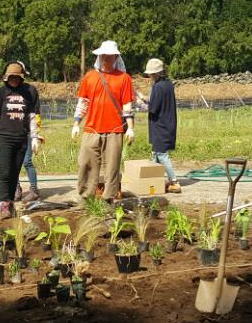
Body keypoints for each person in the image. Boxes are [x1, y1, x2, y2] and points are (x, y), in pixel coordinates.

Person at [72, 40, 135, 202]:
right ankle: (86, 197)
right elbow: (83, 102)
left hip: (114, 130)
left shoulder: (124, 78)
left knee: (112, 167)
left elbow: (127, 105)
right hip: (91, 129)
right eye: (104, 56)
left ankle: (108, 199)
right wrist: (76, 124)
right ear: (99, 56)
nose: (107, 59)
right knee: (85, 163)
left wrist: (131, 128)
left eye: (110, 56)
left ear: (116, 57)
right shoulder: (89, 77)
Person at [0, 61, 42, 217]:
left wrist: (35, 137)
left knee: (15, 173)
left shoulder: (29, 92)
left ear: (21, 78)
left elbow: (32, 116)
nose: (14, 80)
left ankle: (10, 201)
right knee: (5, 172)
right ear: (6, 77)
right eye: (11, 77)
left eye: (16, 77)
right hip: (4, 138)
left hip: (22, 139)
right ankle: (4, 203)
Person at [143, 58, 181, 194]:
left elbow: (153, 108)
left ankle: (174, 181)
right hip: (168, 123)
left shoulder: (157, 87)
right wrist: (148, 99)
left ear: (158, 73)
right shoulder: (168, 84)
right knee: (156, 154)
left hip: (160, 126)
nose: (150, 76)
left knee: (161, 154)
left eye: (152, 74)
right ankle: (155, 180)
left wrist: (143, 104)